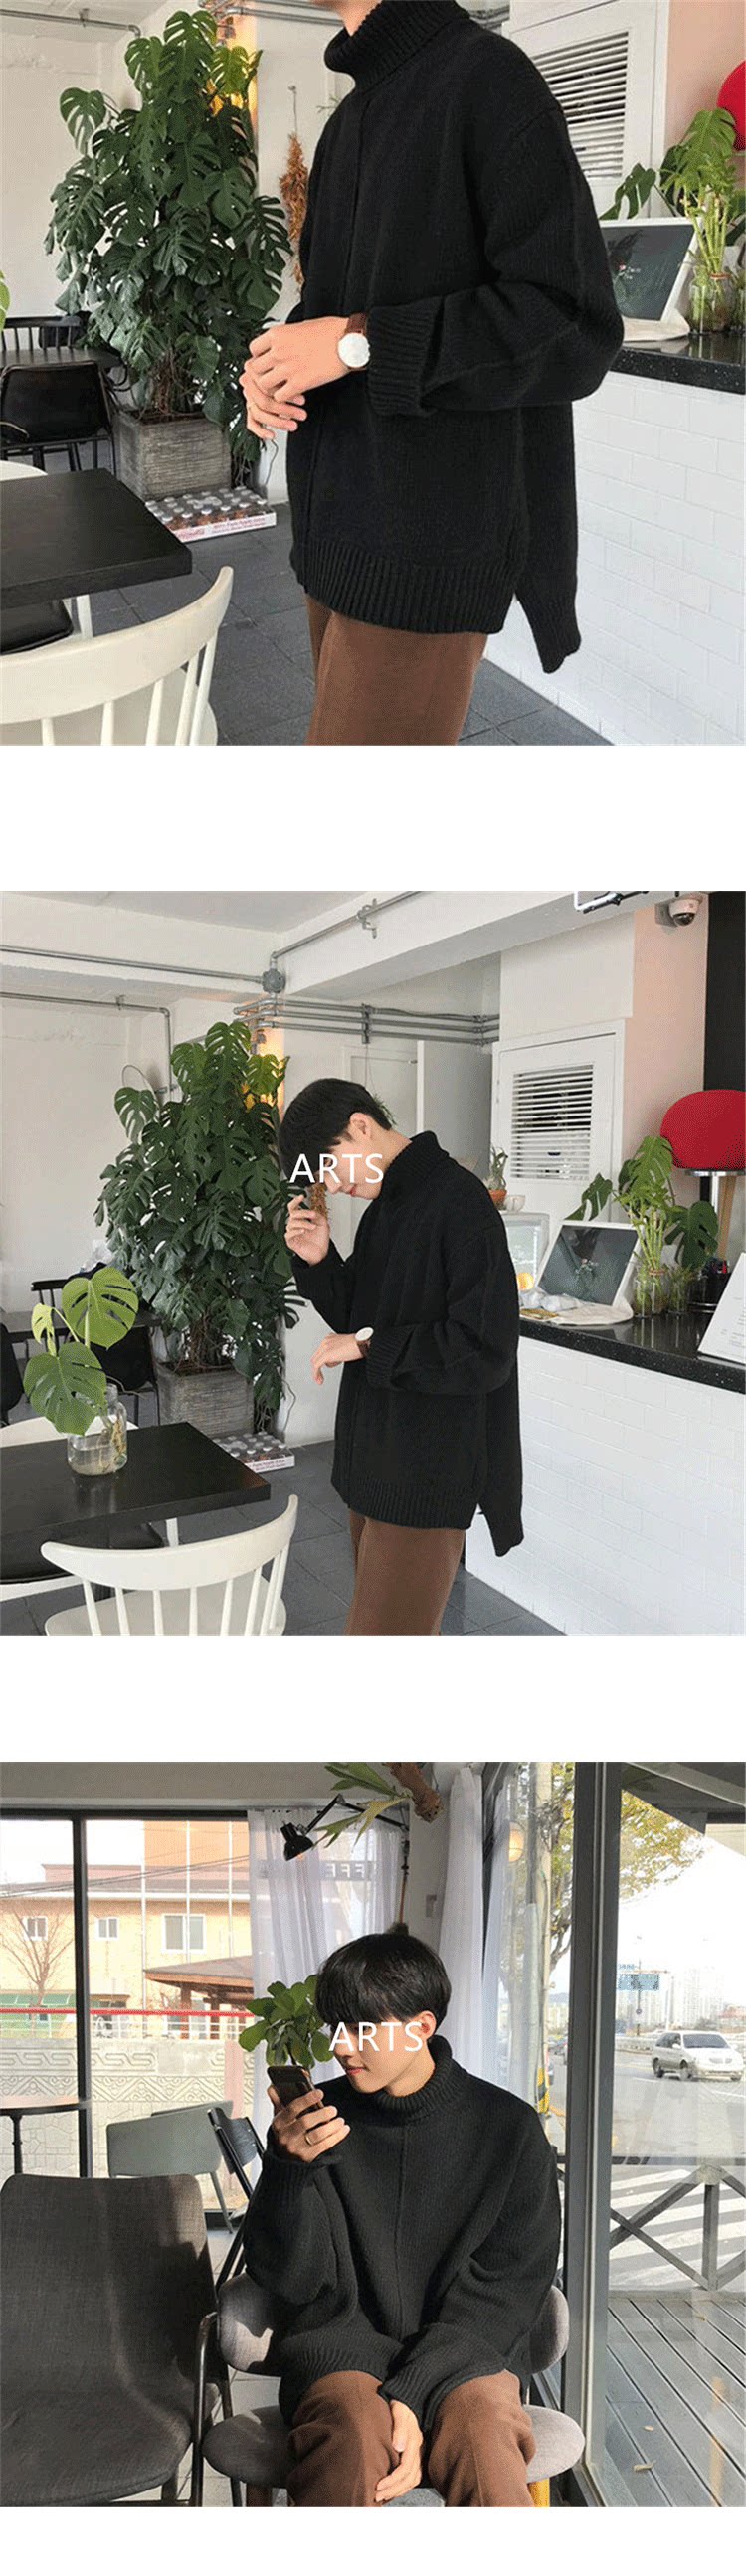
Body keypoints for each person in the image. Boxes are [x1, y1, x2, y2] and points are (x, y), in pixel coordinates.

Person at [240, 0, 624, 746]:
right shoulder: (347, 122)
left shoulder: (489, 80)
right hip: (334, 534)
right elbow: (339, 307)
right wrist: (278, 367)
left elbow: (572, 323)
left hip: (425, 544)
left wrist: (354, 344)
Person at [241, 1924, 561, 2506]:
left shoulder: (508, 2130)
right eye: (337, 2027)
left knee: (483, 2430)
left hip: (466, 2355)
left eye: (363, 2028)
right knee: (350, 2432)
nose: (342, 2047)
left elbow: (507, 2291)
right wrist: (287, 2170)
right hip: (342, 2352)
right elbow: (291, 2281)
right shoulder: (315, 2125)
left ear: (422, 2027)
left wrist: (411, 2393)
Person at [279, 1079, 522, 1634]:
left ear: (361, 1127)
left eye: (329, 1167)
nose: (331, 1186)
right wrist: (320, 1261)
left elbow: (483, 1350)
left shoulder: (459, 1203)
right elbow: (363, 1318)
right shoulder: (387, 1206)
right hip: (376, 1464)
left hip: (425, 1472)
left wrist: (366, 1345)